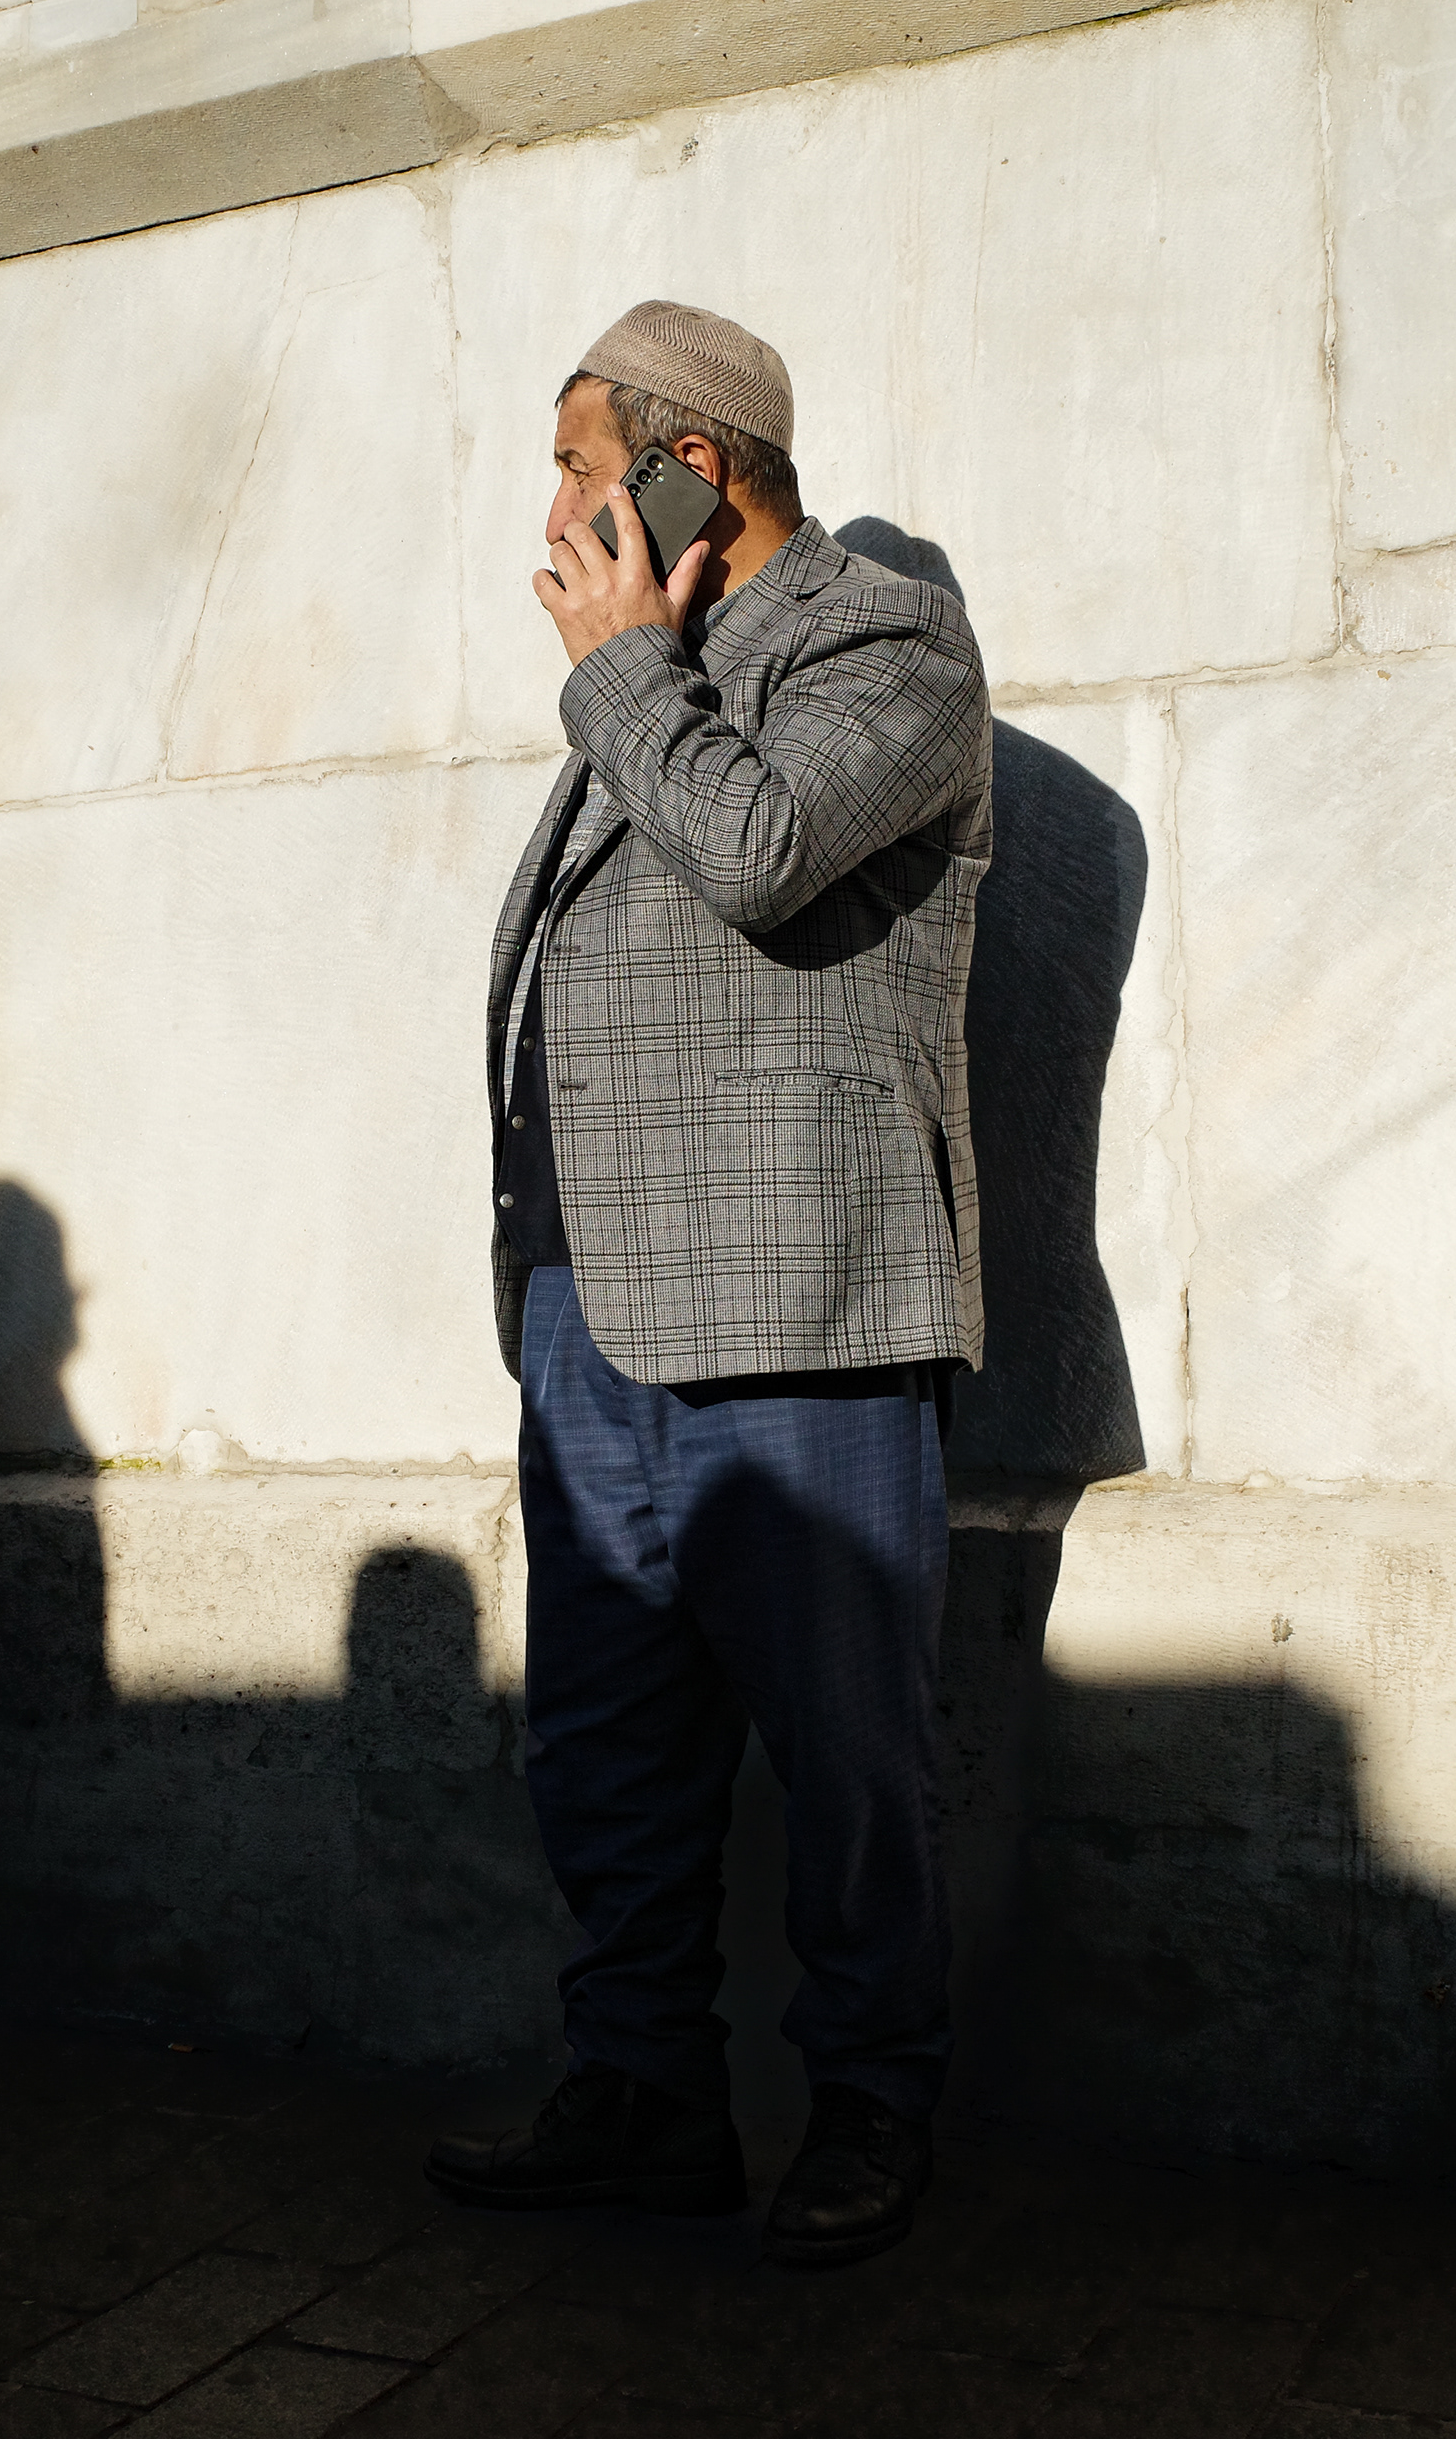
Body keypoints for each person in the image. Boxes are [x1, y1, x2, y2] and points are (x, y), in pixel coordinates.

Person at [424, 302, 993, 2266]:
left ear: (698, 467)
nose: (560, 512)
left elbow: (760, 851)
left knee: (846, 1744)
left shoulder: (880, 643)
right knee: (602, 1738)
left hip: (800, 1295)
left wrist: (625, 671)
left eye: (584, 464)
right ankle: (645, 2085)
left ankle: (873, 2097)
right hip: (596, 1305)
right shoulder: (649, 680)